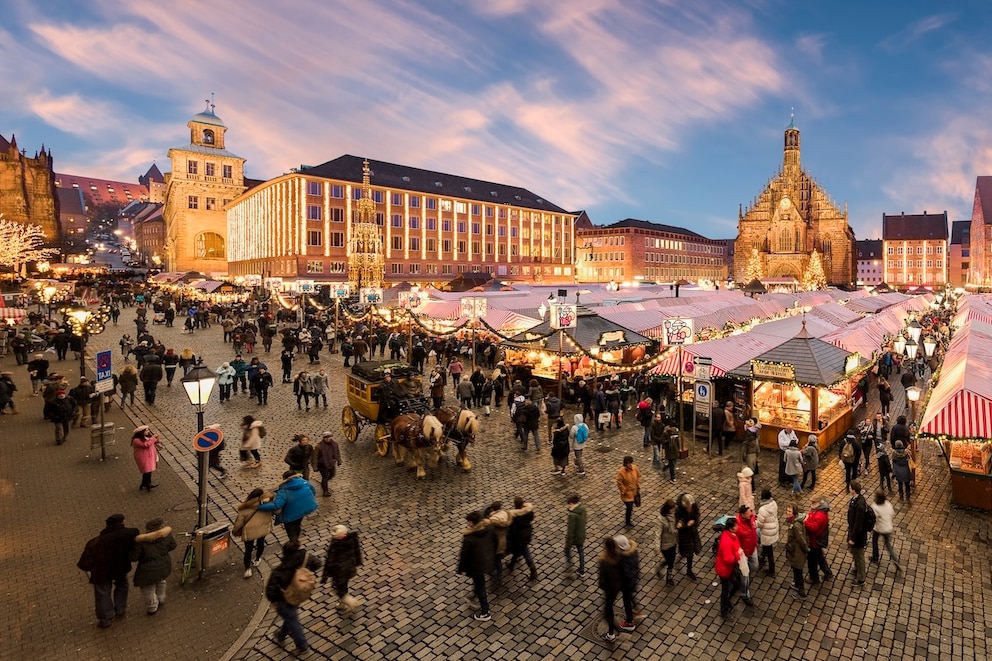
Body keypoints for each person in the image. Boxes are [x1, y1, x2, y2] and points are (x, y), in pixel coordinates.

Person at [77, 513, 140, 628]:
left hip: (102, 572)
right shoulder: (130, 533)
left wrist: (91, 568)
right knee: (122, 584)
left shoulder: (94, 542)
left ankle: (106, 618)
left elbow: (83, 563)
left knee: (103, 593)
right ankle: (120, 608)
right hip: (121, 567)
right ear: (122, 522)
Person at [265, 541, 322, 654]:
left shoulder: (279, 570)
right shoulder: (304, 558)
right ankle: (281, 635)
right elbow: (318, 563)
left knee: (292, 619)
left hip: (284, 599)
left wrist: (273, 600)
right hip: (298, 595)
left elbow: (271, 590)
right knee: (290, 616)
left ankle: (302, 646)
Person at [258, 471, 319, 545]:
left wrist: (259, 507)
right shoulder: (304, 482)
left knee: (291, 530)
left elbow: (276, 505)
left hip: (290, 514)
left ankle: (294, 544)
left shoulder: (283, 491)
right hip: (303, 510)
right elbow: (313, 491)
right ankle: (296, 539)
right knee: (297, 524)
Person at [130, 518, 177, 615]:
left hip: (147, 571)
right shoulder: (166, 536)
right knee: (161, 580)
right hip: (164, 564)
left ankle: (152, 608)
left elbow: (133, 557)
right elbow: (173, 545)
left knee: (148, 589)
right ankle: (161, 598)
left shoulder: (142, 542)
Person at [457, 510, 496, 621]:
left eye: (468, 521)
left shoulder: (469, 538)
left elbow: (464, 555)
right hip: (487, 560)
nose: (467, 523)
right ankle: (473, 595)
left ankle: (485, 612)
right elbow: (495, 541)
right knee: (479, 582)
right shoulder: (489, 528)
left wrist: (460, 569)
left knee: (481, 587)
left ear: (473, 523)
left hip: (476, 566)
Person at [232, 487, 274, 578]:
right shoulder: (267, 504)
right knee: (260, 543)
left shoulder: (244, 508)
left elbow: (238, 523)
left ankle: (247, 569)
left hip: (249, 532)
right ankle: (258, 559)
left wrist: (234, 532)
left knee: (248, 550)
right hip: (263, 529)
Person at [321, 524, 364, 611]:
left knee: (338, 589)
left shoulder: (335, 546)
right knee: (343, 586)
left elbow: (329, 561)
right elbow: (357, 551)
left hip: (339, 571)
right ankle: (342, 604)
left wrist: (324, 576)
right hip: (350, 568)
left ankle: (350, 601)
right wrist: (358, 562)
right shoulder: (352, 539)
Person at [714, 516, 742, 618]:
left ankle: (726, 602)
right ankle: (724, 610)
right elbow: (728, 559)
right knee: (725, 590)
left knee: (735, 585)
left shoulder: (731, 535)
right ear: (731, 528)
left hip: (729, 568)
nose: (737, 527)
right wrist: (738, 555)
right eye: (736, 526)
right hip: (724, 570)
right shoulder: (726, 540)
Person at [505, 496, 538, 581]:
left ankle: (533, 571)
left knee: (526, 553)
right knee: (517, 550)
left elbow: (513, 530)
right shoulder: (528, 512)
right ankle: (511, 564)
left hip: (519, 538)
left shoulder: (515, 516)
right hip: (527, 534)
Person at [597, 537, 622, 642]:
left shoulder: (604, 561)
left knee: (607, 613)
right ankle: (612, 631)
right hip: (617, 587)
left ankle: (614, 632)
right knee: (609, 609)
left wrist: (603, 586)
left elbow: (602, 580)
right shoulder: (619, 556)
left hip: (609, 590)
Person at [869, 490, 901, 573]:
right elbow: (892, 513)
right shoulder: (888, 504)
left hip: (878, 528)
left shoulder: (875, 506)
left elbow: (873, 518)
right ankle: (895, 559)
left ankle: (875, 557)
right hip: (888, 528)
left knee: (875, 541)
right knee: (888, 545)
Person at [804, 495, 834, 584]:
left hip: (814, 541)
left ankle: (814, 578)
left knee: (812, 561)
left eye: (813, 503)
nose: (811, 504)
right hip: (817, 540)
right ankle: (827, 573)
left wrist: (805, 521)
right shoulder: (820, 511)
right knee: (820, 558)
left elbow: (813, 528)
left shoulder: (819, 515)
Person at [846, 480, 871, 586]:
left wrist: (853, 538)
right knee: (854, 552)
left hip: (858, 536)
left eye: (850, 487)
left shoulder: (860, 505)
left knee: (859, 555)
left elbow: (858, 524)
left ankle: (861, 578)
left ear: (853, 490)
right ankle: (856, 567)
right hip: (853, 531)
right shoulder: (855, 500)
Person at [615, 535, 641, 632]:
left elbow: (625, 574)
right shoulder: (633, 552)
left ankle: (629, 622)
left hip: (626, 584)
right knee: (630, 596)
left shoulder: (622, 559)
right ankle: (637, 610)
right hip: (633, 581)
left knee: (626, 602)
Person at [675, 493, 701, 580]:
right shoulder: (679, 511)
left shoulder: (694, 506)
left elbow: (697, 515)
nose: (690, 508)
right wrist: (684, 525)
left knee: (691, 552)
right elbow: (677, 524)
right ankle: (680, 560)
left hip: (692, 532)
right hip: (684, 535)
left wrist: (694, 521)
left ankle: (689, 570)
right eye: (688, 507)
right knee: (687, 551)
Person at [784, 505, 809, 598]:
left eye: (790, 512)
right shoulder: (794, 522)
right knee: (795, 570)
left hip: (797, 552)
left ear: (794, 513)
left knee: (798, 571)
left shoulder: (795, 525)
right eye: (787, 511)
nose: (787, 513)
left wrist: (806, 549)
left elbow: (801, 539)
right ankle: (797, 585)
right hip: (795, 551)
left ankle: (801, 592)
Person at [755, 489, 779, 576]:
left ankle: (772, 569)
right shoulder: (774, 504)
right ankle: (761, 559)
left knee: (769, 551)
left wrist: (754, 522)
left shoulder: (763, 509)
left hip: (767, 532)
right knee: (766, 546)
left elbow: (760, 524)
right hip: (773, 528)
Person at [131, 425, 162, 491]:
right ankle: (148, 484)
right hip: (143, 457)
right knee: (147, 470)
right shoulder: (136, 440)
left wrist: (157, 437)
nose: (148, 431)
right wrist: (153, 438)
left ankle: (144, 483)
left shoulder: (147, 437)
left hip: (149, 456)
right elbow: (146, 444)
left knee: (148, 471)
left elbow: (156, 441)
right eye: (146, 430)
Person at [655, 500, 678, 586]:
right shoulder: (661, 519)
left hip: (673, 542)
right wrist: (657, 548)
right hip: (665, 544)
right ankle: (661, 568)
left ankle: (669, 577)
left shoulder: (675, 515)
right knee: (669, 561)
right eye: (671, 509)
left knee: (671, 561)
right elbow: (657, 534)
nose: (673, 510)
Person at [313, 432, 342, 497]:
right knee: (325, 477)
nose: (328, 439)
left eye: (329, 437)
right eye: (326, 437)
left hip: (331, 463)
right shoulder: (319, 447)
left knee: (332, 474)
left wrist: (339, 460)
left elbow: (337, 453)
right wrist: (315, 467)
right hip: (322, 464)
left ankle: (324, 483)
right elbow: (314, 457)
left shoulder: (334, 444)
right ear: (324, 438)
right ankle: (325, 491)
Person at [615, 455, 641, 527]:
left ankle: (628, 519)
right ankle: (628, 521)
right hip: (626, 494)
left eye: (630, 463)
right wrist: (624, 490)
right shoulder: (621, 472)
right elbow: (619, 482)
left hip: (634, 492)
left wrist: (638, 484)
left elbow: (638, 476)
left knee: (631, 507)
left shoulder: (635, 468)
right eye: (628, 464)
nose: (629, 465)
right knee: (629, 507)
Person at [565, 494, 587, 576]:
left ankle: (569, 567)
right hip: (581, 534)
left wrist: (568, 543)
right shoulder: (583, 509)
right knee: (581, 552)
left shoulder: (572, 515)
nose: (567, 505)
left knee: (567, 551)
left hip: (575, 537)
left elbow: (571, 530)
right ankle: (582, 570)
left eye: (569, 504)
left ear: (572, 503)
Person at [741, 417, 760, 484]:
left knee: (750, 468)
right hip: (754, 454)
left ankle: (751, 483)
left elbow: (744, 451)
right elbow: (758, 450)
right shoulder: (754, 441)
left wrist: (743, 457)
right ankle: (755, 472)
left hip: (749, 454)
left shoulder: (746, 443)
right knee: (753, 464)